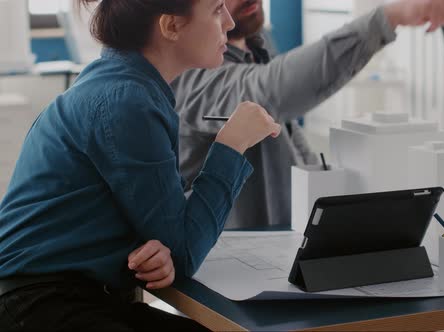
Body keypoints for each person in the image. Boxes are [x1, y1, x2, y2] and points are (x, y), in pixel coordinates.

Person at [0, 0, 281, 330]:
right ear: (171, 26)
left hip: (65, 296)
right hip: (38, 306)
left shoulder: (127, 84)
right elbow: (185, 253)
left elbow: (169, 240)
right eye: (217, 9)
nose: (230, 23)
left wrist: (153, 247)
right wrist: (232, 144)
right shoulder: (127, 100)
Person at [172, 0, 444, 230]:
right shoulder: (186, 72)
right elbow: (269, 91)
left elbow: (286, 133)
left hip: (276, 253)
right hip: (223, 273)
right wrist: (388, 18)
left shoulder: (256, 43)